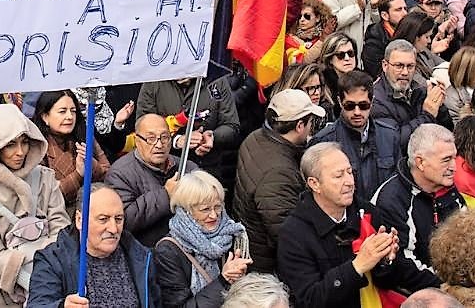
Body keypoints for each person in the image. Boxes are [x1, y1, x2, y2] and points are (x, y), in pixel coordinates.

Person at [278, 142, 433, 307]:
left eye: (350, 172)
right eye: (339, 176)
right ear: (314, 184)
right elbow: (309, 300)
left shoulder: (368, 213)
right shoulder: (293, 234)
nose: (349, 182)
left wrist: (386, 260)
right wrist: (357, 266)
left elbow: (389, 281)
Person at [0, 103, 68, 307]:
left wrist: (46, 274)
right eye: (10, 144)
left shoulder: (44, 177)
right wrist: (27, 276)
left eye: (25, 142)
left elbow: (61, 228)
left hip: (50, 284)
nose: (20, 152)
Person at [232, 89, 324, 274]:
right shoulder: (279, 173)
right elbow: (286, 234)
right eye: (310, 121)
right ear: (299, 126)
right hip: (265, 265)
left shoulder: (255, 137)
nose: (311, 127)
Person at [26, 184, 162, 308]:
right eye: (103, 219)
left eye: (119, 219)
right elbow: (38, 304)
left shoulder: (140, 257)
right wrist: (62, 306)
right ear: (79, 220)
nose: (114, 229)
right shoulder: (53, 261)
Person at [371, 124, 465, 288]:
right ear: (420, 162)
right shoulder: (391, 200)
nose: (454, 167)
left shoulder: (448, 189)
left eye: (454, 158)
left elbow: (468, 237)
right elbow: (403, 267)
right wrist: (452, 285)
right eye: (446, 160)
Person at [154, 170, 251, 307]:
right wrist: (223, 281)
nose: (214, 216)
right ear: (185, 210)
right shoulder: (168, 251)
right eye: (205, 209)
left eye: (218, 207)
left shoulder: (233, 233)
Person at [105, 112, 196, 247]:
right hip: (144, 251)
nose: (159, 145)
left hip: (189, 247)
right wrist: (165, 195)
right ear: (137, 140)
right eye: (151, 139)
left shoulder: (185, 166)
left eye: (164, 137)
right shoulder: (119, 173)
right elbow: (123, 220)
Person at [311, 71, 402, 203]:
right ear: (340, 102)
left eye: (363, 105)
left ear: (372, 101)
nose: (357, 112)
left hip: (383, 216)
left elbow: (397, 185)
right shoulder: (324, 141)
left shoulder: (390, 135)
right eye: (350, 106)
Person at [137, 74, 243, 183]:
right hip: (164, 170)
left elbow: (232, 126)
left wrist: (211, 137)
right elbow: (143, 127)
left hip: (206, 169)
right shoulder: (153, 80)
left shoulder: (217, 80)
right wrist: (176, 140)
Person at [31, 90, 110, 210]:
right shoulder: (36, 146)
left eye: (73, 111)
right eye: (62, 111)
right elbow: (45, 196)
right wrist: (78, 175)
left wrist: (91, 163)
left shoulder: (86, 136)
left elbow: (108, 174)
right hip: (58, 217)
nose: (69, 117)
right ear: (45, 117)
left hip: (92, 210)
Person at [372, 39, 451, 149]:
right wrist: (428, 115)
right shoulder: (375, 100)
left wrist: (440, 107)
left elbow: (447, 130)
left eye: (410, 66)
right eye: (399, 66)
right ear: (385, 65)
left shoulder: (420, 90)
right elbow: (395, 141)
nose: (405, 72)